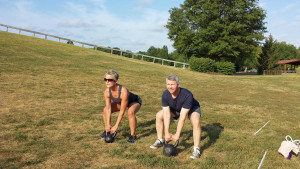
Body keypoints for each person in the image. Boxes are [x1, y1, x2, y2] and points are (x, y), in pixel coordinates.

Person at [149, 74, 202, 159]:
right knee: (159, 115)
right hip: (175, 108)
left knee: (196, 121)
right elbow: (166, 114)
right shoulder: (165, 94)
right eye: (168, 84)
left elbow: (182, 117)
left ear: (178, 84)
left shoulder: (187, 95)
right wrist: (166, 132)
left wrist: (177, 134)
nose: (170, 87)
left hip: (191, 108)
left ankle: (196, 149)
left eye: (172, 84)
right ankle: (160, 140)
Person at [98, 70, 142, 143]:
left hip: (134, 101)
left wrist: (116, 126)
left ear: (116, 81)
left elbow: (122, 111)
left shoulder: (123, 91)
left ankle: (133, 136)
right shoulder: (106, 92)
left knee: (130, 112)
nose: (107, 82)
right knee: (105, 110)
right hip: (121, 102)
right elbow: (108, 109)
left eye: (110, 80)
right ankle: (107, 131)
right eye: (105, 79)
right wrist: (108, 124)